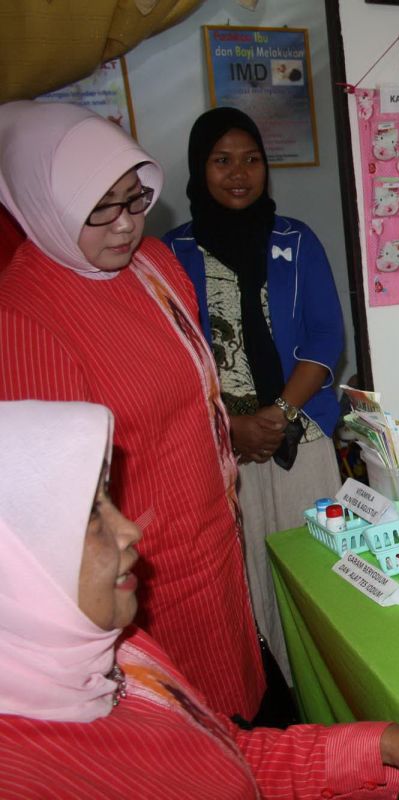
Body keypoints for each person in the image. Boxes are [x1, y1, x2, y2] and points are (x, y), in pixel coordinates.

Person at [0, 400, 399, 796]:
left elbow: (225, 755)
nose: (130, 532)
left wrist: (387, 743)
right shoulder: (28, 774)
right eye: (92, 516)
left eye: (109, 502)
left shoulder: (122, 653)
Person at [0, 101, 264, 720]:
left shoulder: (153, 263)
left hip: (215, 544)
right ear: (41, 204)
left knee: (245, 721)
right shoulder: (24, 319)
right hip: (143, 582)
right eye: (100, 208)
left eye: (134, 199)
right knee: (187, 738)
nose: (125, 225)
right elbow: (55, 517)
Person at [162, 107, 345, 683]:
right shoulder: (168, 254)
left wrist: (279, 412)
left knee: (321, 572)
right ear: (199, 168)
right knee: (241, 582)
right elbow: (168, 358)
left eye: (251, 159)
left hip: (300, 435)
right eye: (222, 160)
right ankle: (275, 698)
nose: (238, 173)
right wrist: (231, 427)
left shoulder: (297, 239)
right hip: (219, 449)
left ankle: (331, 683)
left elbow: (326, 335)